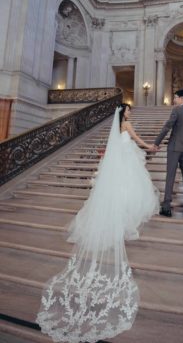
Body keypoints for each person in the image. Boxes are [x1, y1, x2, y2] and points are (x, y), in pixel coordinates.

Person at [36, 104, 159, 343]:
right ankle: (122, 221)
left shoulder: (115, 128)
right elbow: (137, 140)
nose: (131, 114)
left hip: (118, 167)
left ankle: (116, 220)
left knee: (119, 194)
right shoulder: (126, 125)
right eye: (129, 111)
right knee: (131, 194)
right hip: (126, 167)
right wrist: (150, 146)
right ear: (124, 113)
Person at [152, 90, 183, 218]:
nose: (174, 100)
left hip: (174, 147)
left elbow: (167, 127)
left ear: (182, 98)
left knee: (170, 176)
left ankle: (166, 207)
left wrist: (157, 142)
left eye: (175, 97)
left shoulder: (176, 110)